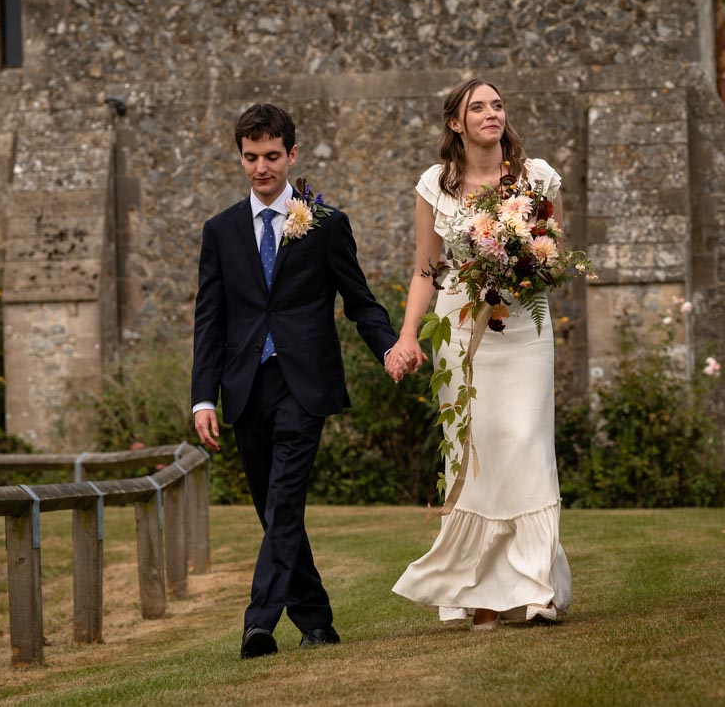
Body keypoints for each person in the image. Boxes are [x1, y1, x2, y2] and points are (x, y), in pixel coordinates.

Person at [191, 103, 404, 658]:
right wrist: (201, 399)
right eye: (250, 157)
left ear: (292, 154)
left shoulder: (326, 223)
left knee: (284, 498)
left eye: (271, 156)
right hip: (244, 386)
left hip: (305, 382)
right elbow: (209, 320)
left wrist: (389, 347)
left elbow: (360, 302)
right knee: (271, 506)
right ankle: (315, 619)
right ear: (240, 157)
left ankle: (258, 623)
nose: (261, 168)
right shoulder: (220, 231)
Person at [388, 78, 573, 630]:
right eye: (478, 107)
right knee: (478, 451)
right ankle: (484, 598)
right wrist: (407, 334)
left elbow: (556, 254)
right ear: (456, 123)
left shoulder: (538, 178)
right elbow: (426, 267)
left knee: (525, 441)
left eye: (497, 105)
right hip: (463, 330)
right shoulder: (435, 185)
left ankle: (536, 588)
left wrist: (526, 260)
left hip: (523, 328)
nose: (491, 113)